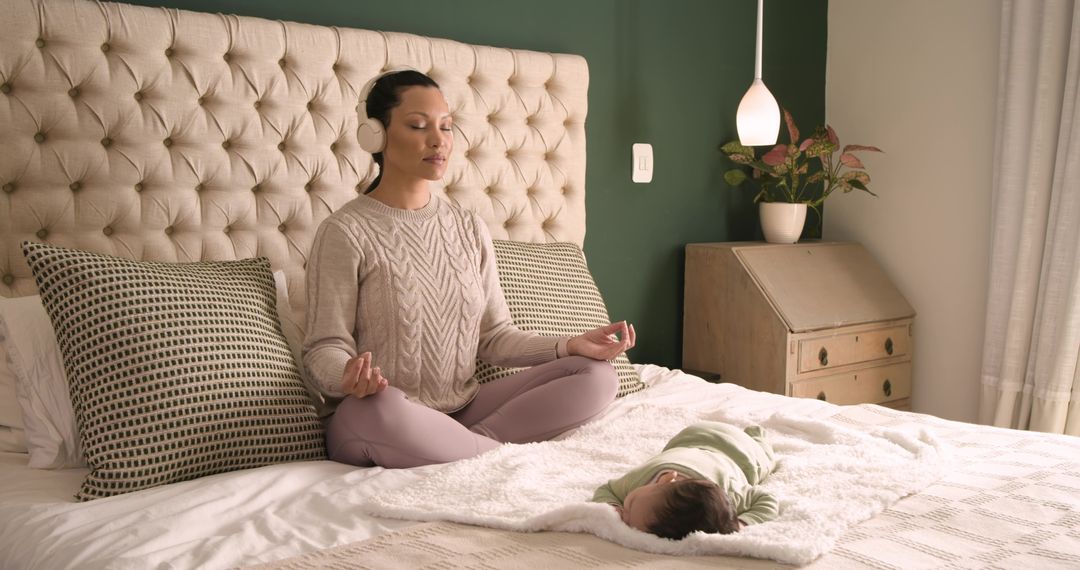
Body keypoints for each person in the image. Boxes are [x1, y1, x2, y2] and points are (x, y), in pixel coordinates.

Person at [302, 69, 635, 469]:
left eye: (446, 127)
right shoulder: (344, 232)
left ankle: (471, 448)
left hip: (466, 408)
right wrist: (347, 376)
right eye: (417, 126)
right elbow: (323, 347)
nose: (438, 140)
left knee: (596, 375)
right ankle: (492, 458)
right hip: (377, 414)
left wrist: (569, 344)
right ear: (376, 134)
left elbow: (495, 336)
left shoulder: (467, 227)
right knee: (381, 405)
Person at [592, 421, 778, 540]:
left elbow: (767, 500)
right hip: (701, 436)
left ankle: (759, 440)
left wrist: (742, 523)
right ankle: (755, 437)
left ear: (666, 479)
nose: (623, 514)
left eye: (627, 507)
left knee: (765, 461)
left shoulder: (729, 492)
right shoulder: (641, 489)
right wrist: (611, 504)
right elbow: (606, 490)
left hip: (742, 454)